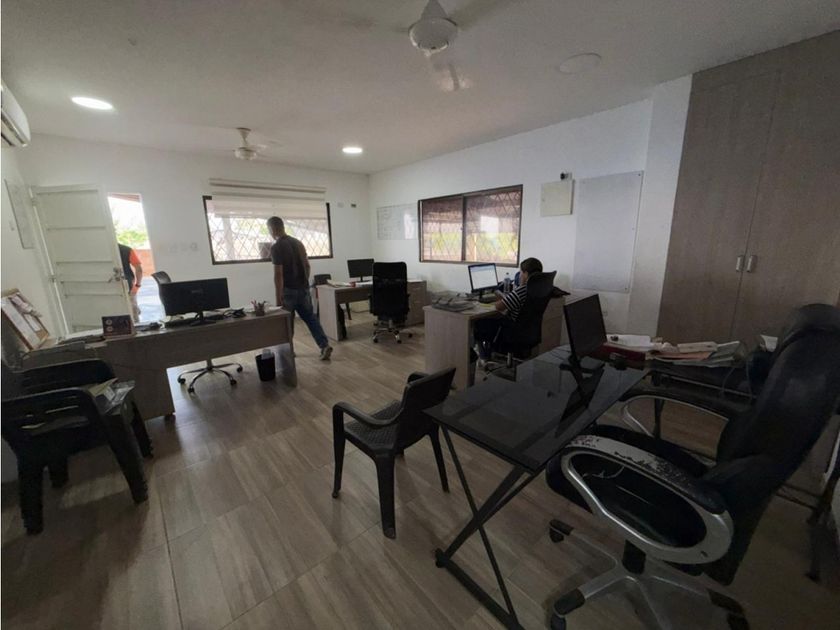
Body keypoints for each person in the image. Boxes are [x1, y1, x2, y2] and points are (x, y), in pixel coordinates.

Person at [267, 216, 333, 360]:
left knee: (287, 323)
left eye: (269, 230)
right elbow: (307, 266)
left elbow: (278, 275)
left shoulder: (276, 247)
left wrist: (278, 297)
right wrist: (304, 283)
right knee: (311, 319)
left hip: (288, 291)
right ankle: (324, 345)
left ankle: (289, 351)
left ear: (272, 229)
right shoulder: (298, 243)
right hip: (303, 289)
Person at [474, 257, 543, 361]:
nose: (519, 275)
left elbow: (498, 306)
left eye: (521, 272)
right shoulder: (539, 290)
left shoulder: (522, 290)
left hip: (512, 333)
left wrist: (497, 298)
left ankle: (484, 358)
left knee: (479, 323)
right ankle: (489, 358)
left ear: (526, 274)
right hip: (529, 333)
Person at [118, 243, 143, 321]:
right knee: (133, 310)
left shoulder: (101, 250)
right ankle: (135, 324)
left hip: (109, 285)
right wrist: (137, 285)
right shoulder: (126, 249)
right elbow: (139, 269)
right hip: (128, 284)